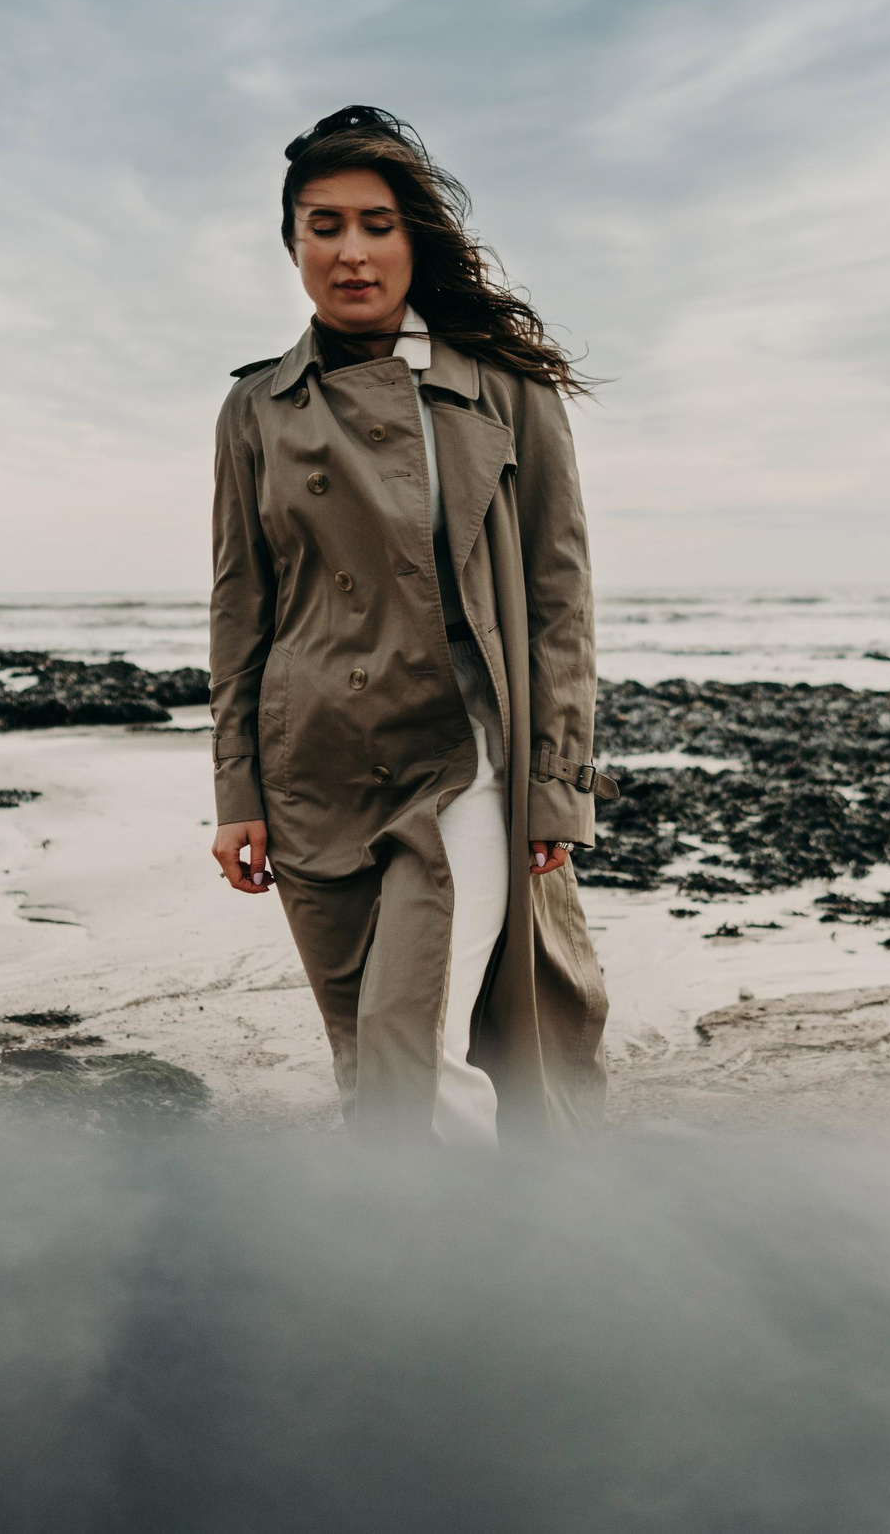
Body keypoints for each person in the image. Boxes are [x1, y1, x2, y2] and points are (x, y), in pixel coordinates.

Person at [208, 105, 617, 1146]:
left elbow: (559, 599)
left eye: (376, 224)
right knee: (367, 1063)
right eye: (324, 225)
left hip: (460, 762)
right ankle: (417, 1235)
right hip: (316, 775)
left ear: (413, 239)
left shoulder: (507, 391)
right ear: (292, 244)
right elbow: (241, 607)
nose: (351, 251)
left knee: (413, 1055)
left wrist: (556, 785)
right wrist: (237, 791)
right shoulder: (255, 409)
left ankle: (446, 1246)